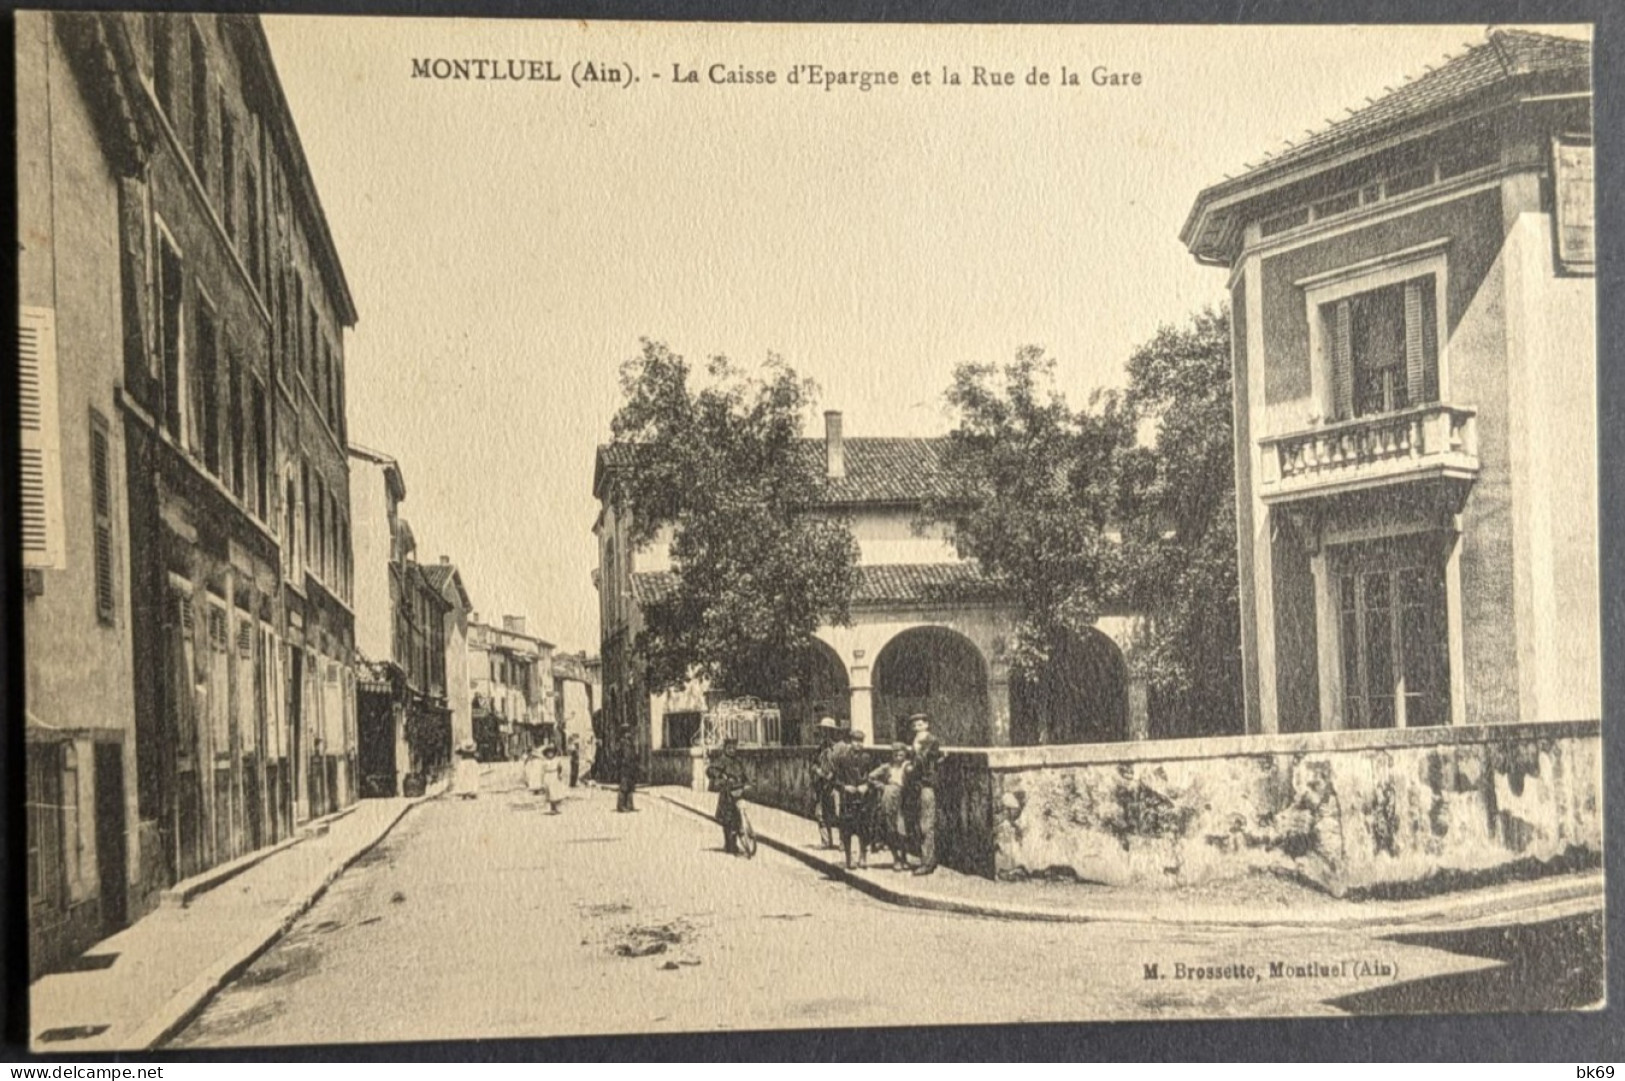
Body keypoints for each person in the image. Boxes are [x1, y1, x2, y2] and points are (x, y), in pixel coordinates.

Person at [867, 743, 915, 871]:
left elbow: (914, 779)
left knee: (902, 829)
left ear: (905, 754)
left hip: (903, 797)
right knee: (890, 828)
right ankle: (896, 858)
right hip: (888, 796)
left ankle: (904, 857)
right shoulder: (887, 767)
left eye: (901, 754)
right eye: (895, 754)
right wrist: (882, 786)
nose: (898, 757)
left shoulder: (908, 766)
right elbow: (871, 777)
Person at [829, 728, 872, 870]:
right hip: (847, 798)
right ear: (850, 741)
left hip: (862, 798)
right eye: (855, 741)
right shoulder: (842, 758)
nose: (858, 744)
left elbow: (873, 775)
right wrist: (845, 787)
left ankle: (863, 856)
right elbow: (835, 779)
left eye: (860, 741)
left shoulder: (867, 758)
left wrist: (866, 785)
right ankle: (848, 858)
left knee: (863, 828)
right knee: (847, 829)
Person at [909, 714, 944, 875]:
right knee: (919, 822)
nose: (917, 727)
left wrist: (915, 751)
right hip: (918, 785)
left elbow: (921, 762)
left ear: (927, 725)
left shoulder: (930, 741)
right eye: (915, 725)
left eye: (920, 724)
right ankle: (927, 858)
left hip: (927, 785)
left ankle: (927, 862)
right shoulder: (917, 741)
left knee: (926, 824)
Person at [705, 737, 750, 855]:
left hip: (737, 791)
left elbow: (744, 773)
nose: (732, 750)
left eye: (734, 748)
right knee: (728, 820)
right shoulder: (722, 760)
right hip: (727, 793)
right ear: (725, 748)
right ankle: (730, 845)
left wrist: (747, 782)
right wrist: (720, 776)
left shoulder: (738, 761)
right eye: (729, 748)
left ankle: (739, 837)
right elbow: (710, 770)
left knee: (738, 817)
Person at [810, 716, 841, 849]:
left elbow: (843, 766)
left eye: (828, 730)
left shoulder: (840, 748)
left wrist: (833, 774)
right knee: (821, 814)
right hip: (821, 785)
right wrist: (818, 771)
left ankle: (843, 843)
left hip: (836, 786)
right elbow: (813, 765)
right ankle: (826, 841)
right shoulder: (820, 748)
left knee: (839, 814)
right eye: (823, 730)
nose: (825, 733)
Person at [615, 725, 638, 813]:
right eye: (627, 731)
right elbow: (618, 755)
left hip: (631, 766)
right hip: (624, 767)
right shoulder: (621, 742)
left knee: (630, 786)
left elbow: (633, 754)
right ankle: (621, 806)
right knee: (623, 786)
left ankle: (629, 805)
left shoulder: (630, 742)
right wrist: (621, 764)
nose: (629, 733)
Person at [539, 744, 568, 813]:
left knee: (555, 792)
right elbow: (542, 771)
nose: (550, 754)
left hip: (554, 775)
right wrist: (542, 780)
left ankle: (555, 808)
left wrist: (559, 774)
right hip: (548, 775)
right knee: (550, 792)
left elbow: (560, 767)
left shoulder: (556, 760)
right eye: (548, 753)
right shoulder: (545, 762)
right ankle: (552, 808)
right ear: (546, 754)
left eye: (551, 753)